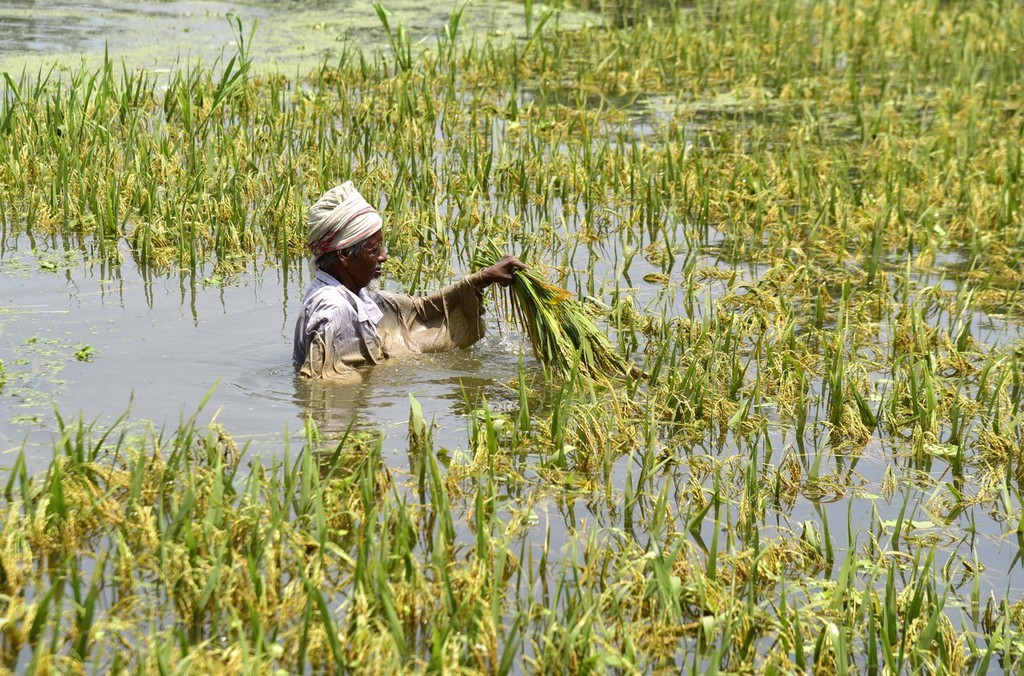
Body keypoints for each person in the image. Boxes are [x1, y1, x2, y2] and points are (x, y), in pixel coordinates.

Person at [293, 181, 525, 380]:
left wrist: (483, 278)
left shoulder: (357, 294)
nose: (383, 256)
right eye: (374, 250)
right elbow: (323, 390)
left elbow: (419, 312)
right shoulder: (334, 310)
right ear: (344, 255)